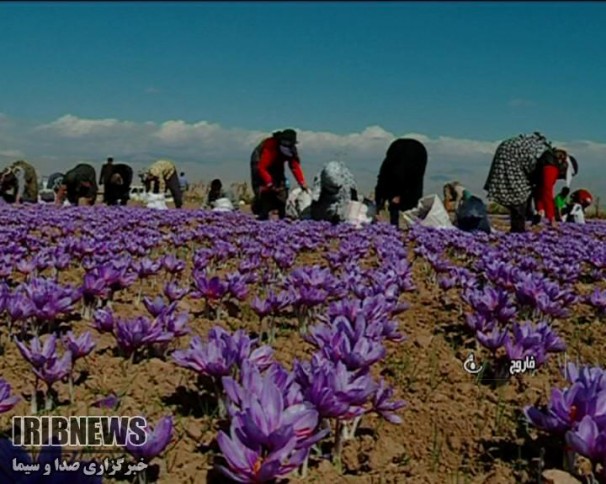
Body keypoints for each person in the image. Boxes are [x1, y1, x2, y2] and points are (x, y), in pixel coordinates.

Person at [484, 132, 577, 232]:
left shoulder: (550, 158)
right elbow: (547, 191)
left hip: (510, 152)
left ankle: (518, 231)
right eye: (564, 176)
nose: (561, 178)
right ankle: (517, 233)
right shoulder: (552, 167)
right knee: (519, 199)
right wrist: (552, 218)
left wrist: (539, 209)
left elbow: (539, 188)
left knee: (523, 196)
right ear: (564, 167)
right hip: (511, 156)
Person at [250, 129, 309, 220]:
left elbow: (294, 166)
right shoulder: (271, 146)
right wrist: (269, 183)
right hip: (260, 160)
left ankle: (282, 212)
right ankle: (262, 209)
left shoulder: (292, 150)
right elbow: (262, 167)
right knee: (264, 186)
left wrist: (302, 183)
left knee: (280, 184)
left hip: (277, 162)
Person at [375, 138, 428, 227]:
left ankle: (402, 225)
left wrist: (382, 201)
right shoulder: (389, 170)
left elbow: (408, 179)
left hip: (413, 155)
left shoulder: (395, 169)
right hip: (414, 153)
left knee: (403, 201)